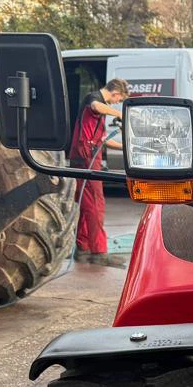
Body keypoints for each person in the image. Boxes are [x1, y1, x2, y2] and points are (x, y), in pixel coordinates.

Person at [70, 78, 128, 264]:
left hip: (84, 156)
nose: (117, 102)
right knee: (96, 204)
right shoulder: (94, 99)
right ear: (115, 92)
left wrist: (124, 147)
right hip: (87, 157)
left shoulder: (98, 106)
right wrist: (119, 114)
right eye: (119, 99)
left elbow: (102, 138)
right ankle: (99, 252)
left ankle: (83, 248)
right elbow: (96, 106)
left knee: (87, 205)